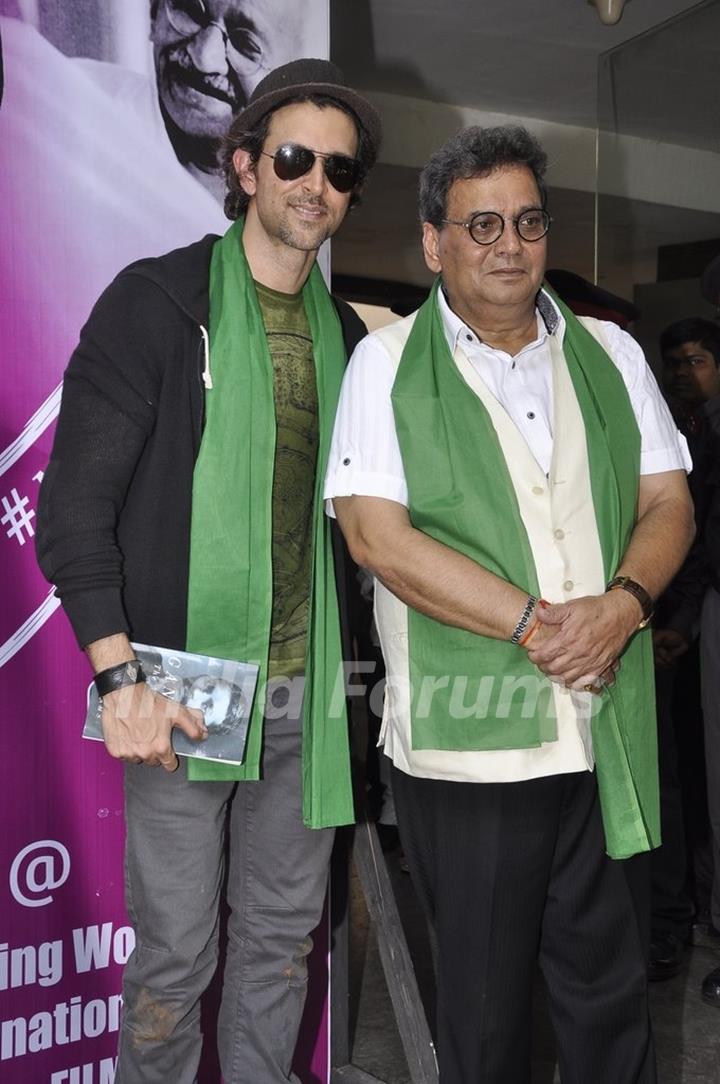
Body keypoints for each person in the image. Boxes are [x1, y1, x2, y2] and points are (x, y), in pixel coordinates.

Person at [325, 125, 694, 1083]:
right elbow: (377, 537)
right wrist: (534, 625)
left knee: (610, 994)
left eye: (527, 221)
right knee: (488, 1014)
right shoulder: (386, 363)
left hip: (607, 723)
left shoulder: (611, 352)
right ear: (433, 242)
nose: (508, 244)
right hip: (470, 740)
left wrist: (622, 605)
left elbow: (668, 502)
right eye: (480, 224)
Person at [35, 58, 381, 1084]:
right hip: (181, 683)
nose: (315, 182)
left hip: (307, 694)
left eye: (339, 168)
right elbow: (74, 510)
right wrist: (118, 677)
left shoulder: (352, 342)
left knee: (281, 952)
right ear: (244, 166)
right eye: (292, 157)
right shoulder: (157, 302)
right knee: (176, 958)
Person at [661, 318, 720, 1004]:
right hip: (688, 615)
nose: (684, 371)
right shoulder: (684, 430)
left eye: (696, 360)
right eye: (676, 361)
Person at [150, 0, 308, 199]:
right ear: (154, 13)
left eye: (245, 43)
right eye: (190, 10)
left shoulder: (296, 202)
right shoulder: (105, 119)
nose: (204, 58)